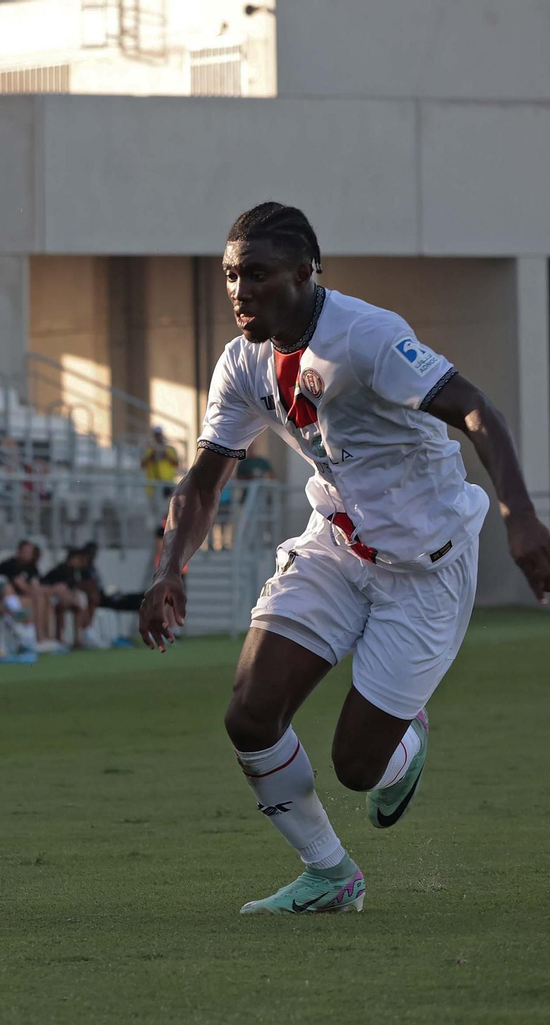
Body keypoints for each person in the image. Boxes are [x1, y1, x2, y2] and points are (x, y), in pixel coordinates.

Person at [139, 202, 550, 916]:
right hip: (336, 545)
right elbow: (204, 480)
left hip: (427, 567)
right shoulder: (243, 362)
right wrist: (170, 568)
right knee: (249, 712)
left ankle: (407, 741)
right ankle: (330, 875)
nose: (239, 292)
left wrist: (520, 519)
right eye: (232, 276)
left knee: (356, 768)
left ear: (304, 273)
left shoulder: (368, 337)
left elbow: (481, 410)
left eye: (257, 275)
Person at [141, 425, 180, 501]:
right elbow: (142, 465)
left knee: (167, 509)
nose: (158, 437)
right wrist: (152, 456)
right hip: (153, 486)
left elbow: (176, 465)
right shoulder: (149, 450)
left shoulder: (170, 450)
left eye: (159, 435)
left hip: (167, 484)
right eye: (156, 435)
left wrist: (167, 456)